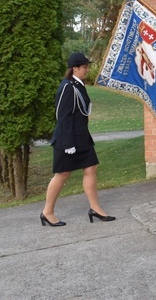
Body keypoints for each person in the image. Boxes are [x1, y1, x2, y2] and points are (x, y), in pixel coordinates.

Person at [41, 53, 116, 227]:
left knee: (91, 167)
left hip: (82, 137)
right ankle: (47, 212)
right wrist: (68, 143)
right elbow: (63, 117)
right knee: (62, 174)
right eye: (84, 67)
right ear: (75, 68)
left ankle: (95, 209)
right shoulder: (68, 87)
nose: (87, 70)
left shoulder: (77, 85)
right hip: (68, 140)